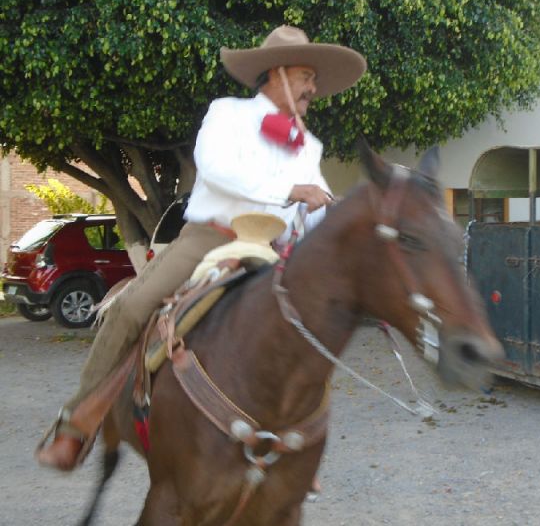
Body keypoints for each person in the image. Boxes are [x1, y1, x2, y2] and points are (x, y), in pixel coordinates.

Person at [36, 25, 367, 471]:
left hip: (275, 252)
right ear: (278, 73)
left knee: (315, 331)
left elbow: (315, 210)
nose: (313, 87)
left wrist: (344, 214)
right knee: (132, 308)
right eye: (306, 76)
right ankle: (75, 425)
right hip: (212, 237)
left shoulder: (308, 145)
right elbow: (216, 170)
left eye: (314, 79)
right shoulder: (227, 113)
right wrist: (291, 190)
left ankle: (295, 446)